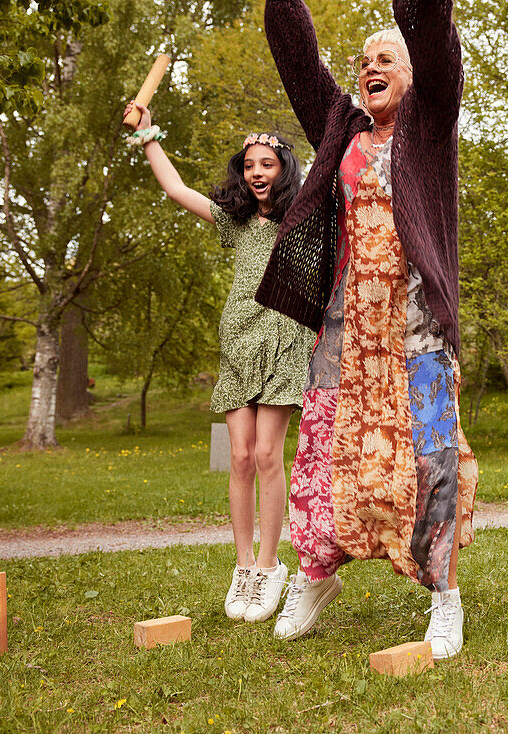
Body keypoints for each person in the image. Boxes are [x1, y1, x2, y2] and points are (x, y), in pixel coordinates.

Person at [254, 0, 477, 659]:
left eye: (385, 59)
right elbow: (299, 60)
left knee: (430, 456)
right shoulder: (342, 130)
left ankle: (445, 600)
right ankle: (316, 575)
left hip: (417, 327)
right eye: (364, 63)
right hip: (346, 330)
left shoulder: (431, 126)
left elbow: (435, 39)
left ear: (414, 75)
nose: (369, 68)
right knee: (324, 453)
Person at [122, 101, 314, 624]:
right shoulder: (234, 222)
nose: (256, 173)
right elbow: (177, 190)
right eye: (249, 165)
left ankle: (272, 565)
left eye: (267, 165)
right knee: (241, 457)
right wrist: (148, 134)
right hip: (238, 338)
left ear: (285, 170)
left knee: (271, 455)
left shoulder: (305, 218)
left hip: (283, 337)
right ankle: (245, 567)